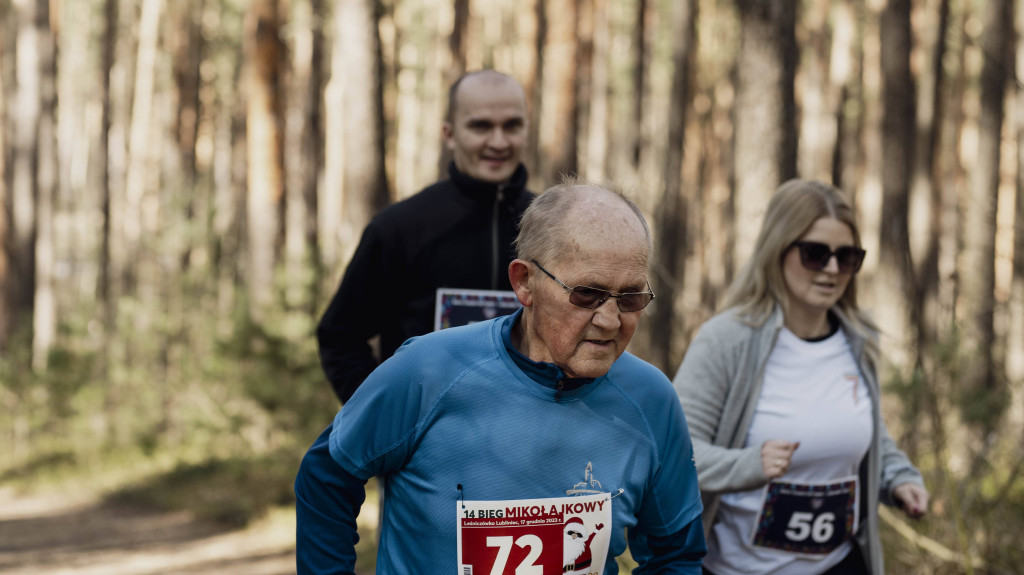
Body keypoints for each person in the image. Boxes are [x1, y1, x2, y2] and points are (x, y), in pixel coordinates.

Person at [295, 180, 706, 574]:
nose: (610, 319)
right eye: (587, 294)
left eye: (631, 297)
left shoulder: (651, 399)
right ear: (525, 282)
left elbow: (676, 555)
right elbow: (327, 475)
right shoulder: (428, 370)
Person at [673, 179, 929, 575]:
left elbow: (868, 432)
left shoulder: (859, 338)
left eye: (846, 257)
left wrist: (897, 477)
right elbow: (678, 455)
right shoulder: (726, 341)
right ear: (778, 249)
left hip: (840, 564)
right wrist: (748, 465)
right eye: (815, 254)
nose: (832, 269)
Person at [317, 69, 534, 404]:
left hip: (529, 443)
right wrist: (381, 415)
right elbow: (340, 335)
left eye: (511, 126)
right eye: (480, 126)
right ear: (449, 134)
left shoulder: (553, 228)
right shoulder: (399, 228)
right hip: (422, 447)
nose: (498, 141)